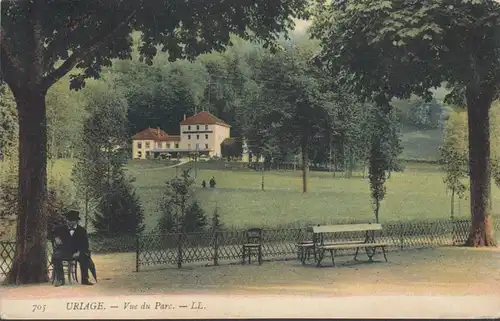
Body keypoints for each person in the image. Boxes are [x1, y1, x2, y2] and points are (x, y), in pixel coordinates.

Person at [49, 210, 93, 286]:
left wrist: (79, 252)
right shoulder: (60, 228)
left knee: (85, 257)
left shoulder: (82, 231)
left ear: (76, 221)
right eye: (69, 221)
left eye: (73, 221)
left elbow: (85, 245)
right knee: (56, 257)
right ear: (67, 220)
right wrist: (55, 237)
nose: (71, 223)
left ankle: (85, 279)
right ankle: (60, 279)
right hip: (64, 251)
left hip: (77, 252)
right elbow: (49, 234)